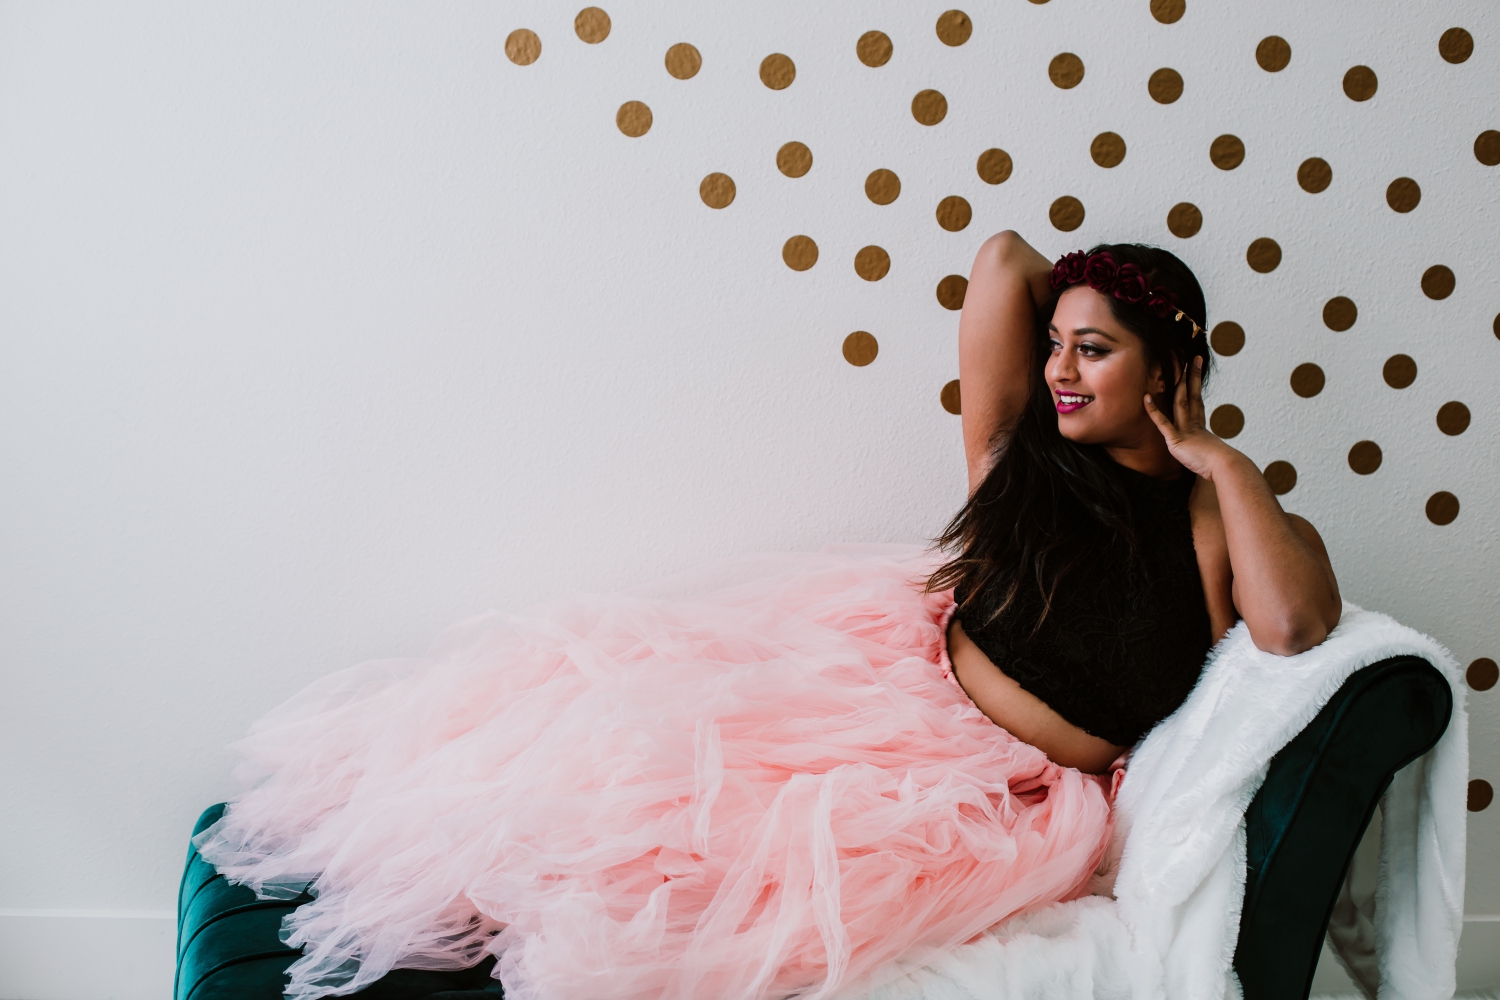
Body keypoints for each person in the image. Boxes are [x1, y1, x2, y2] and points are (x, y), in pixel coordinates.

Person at [194, 233, 1341, 1000]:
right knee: (614, 762)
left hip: (1015, 792)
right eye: (1057, 344)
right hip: (894, 685)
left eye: (1094, 350)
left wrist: (1213, 448)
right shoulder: (1021, 458)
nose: (1060, 369)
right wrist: (1099, 296)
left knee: (730, 907)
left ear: (1171, 367)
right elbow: (1000, 262)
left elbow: (1292, 626)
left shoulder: (1207, 514)